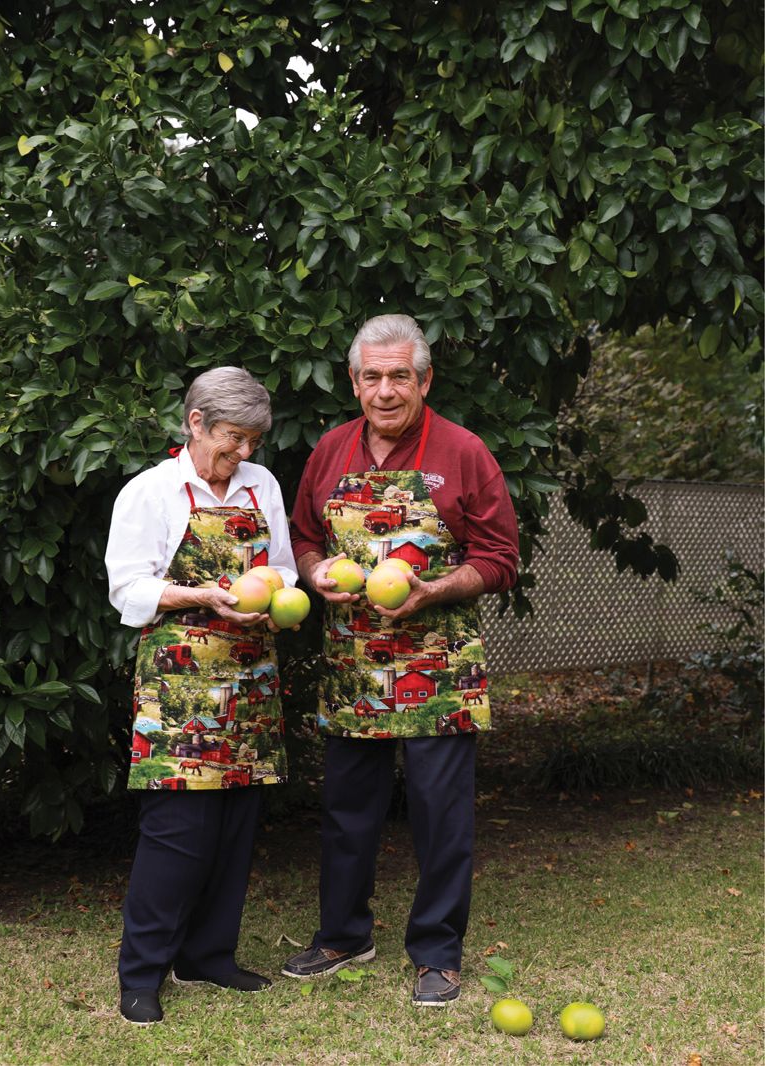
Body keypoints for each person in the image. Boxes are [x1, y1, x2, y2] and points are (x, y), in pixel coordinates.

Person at [282, 314, 519, 1006]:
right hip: (353, 665)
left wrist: (435, 591)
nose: (386, 390)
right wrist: (317, 568)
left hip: (438, 668)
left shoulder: (465, 452)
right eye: (373, 376)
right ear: (354, 381)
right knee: (348, 812)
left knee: (440, 816)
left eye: (400, 376)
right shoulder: (329, 451)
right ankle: (343, 935)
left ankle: (438, 951)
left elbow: (500, 559)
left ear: (424, 380)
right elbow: (302, 536)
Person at [105, 367, 298, 1025]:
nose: (243, 454)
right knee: (177, 835)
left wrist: (273, 599)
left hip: (250, 680)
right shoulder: (151, 493)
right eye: (232, 440)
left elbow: (287, 568)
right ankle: (143, 973)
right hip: (180, 686)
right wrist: (204, 596)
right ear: (196, 424)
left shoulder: (261, 486)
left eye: (252, 442)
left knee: (236, 830)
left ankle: (209, 955)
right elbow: (128, 589)